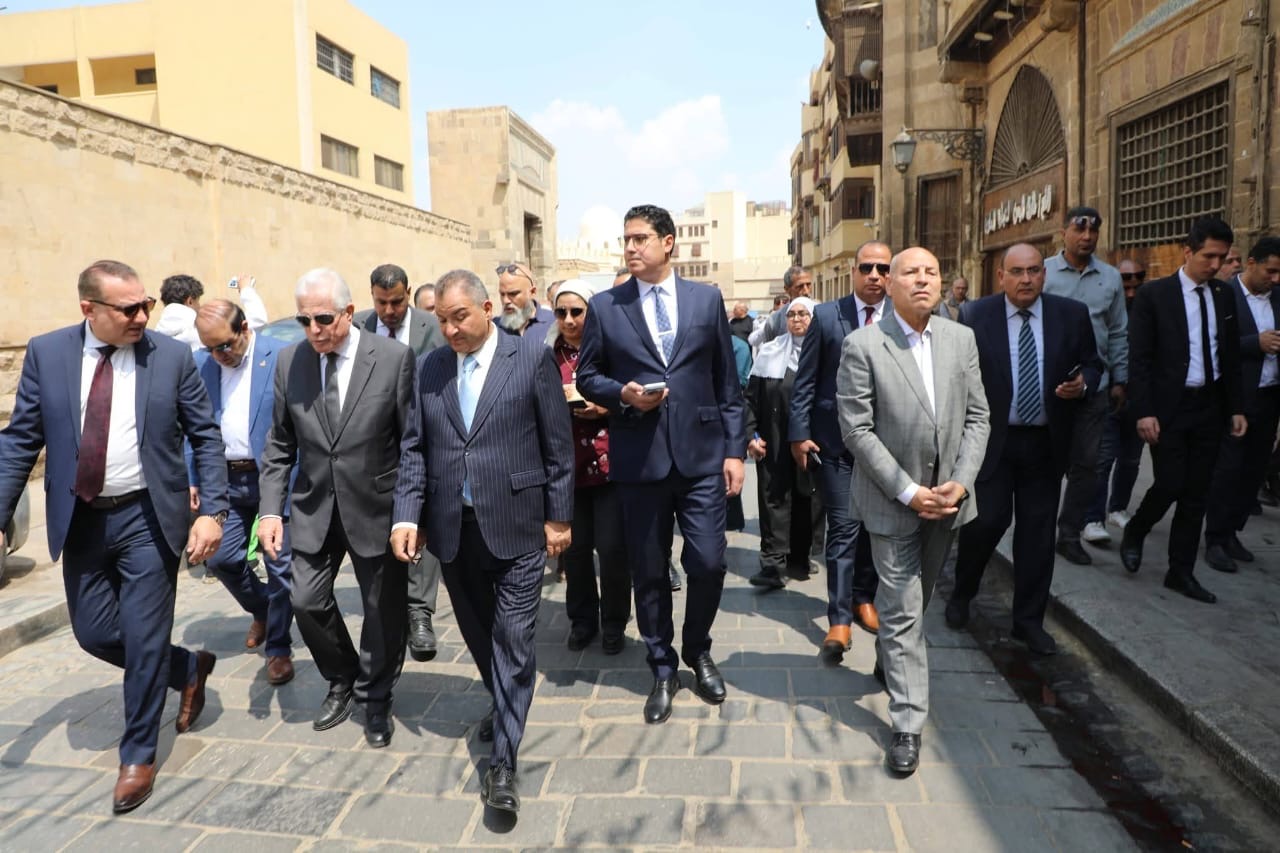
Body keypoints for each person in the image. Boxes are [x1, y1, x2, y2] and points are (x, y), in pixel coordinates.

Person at [0, 260, 228, 813]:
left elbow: (205, 435)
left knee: (144, 637)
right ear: (89, 309)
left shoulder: (169, 356)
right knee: (95, 633)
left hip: (148, 517)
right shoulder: (48, 353)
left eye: (145, 305)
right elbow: (20, 440)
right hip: (81, 518)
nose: (142, 317)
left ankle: (138, 756)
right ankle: (186, 667)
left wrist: (213, 512)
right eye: (128, 309)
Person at [391, 270, 573, 814]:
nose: (450, 330)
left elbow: (558, 445)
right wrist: (407, 516)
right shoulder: (430, 368)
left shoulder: (530, 358)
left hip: (518, 524)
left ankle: (504, 766)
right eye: (442, 320)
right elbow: (414, 450)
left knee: (513, 641)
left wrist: (559, 518)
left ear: (487, 309)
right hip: (455, 530)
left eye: (460, 317)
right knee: (479, 636)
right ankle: (505, 701)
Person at [577, 203, 746, 725]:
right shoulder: (607, 306)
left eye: (640, 239)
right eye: (625, 240)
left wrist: (735, 450)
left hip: (702, 456)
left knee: (709, 561)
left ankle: (697, 648)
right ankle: (662, 666)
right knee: (648, 571)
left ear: (667, 242)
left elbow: (726, 382)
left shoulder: (705, 299)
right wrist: (623, 395)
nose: (630, 248)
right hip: (640, 457)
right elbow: (587, 376)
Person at [835, 247, 990, 776]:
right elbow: (856, 430)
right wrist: (906, 490)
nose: (923, 280)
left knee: (913, 604)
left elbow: (978, 418)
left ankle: (889, 658)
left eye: (931, 271)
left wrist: (960, 483)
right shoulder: (863, 345)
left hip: (947, 502)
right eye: (911, 272)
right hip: (892, 502)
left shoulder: (961, 339)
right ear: (890, 284)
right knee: (903, 609)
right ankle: (907, 723)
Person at [257, 268, 414, 747]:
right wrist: (270, 511)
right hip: (314, 507)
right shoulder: (290, 362)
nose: (314, 329)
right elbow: (279, 444)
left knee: (382, 612)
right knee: (305, 600)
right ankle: (342, 675)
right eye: (304, 320)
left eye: (323, 318)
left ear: (348, 312)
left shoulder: (393, 359)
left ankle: (376, 697)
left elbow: (411, 443)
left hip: (376, 507)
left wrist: (408, 514)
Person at [948, 244, 1101, 657]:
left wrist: (1083, 384)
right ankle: (962, 594)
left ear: (1044, 275)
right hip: (993, 442)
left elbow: (1093, 363)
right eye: (1016, 272)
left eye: (1034, 271)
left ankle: (1028, 622)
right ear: (1001, 276)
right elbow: (958, 377)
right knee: (985, 523)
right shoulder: (976, 315)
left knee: (1037, 536)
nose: (1026, 279)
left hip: (1045, 444)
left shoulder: (1071, 315)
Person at [1121, 218, 1246, 604]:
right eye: (1208, 256)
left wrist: (1236, 408)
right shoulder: (1155, 295)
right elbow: (1139, 359)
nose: (1215, 264)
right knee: (1171, 483)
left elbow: (1230, 356)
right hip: (1168, 409)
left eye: (1221, 257)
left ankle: (1180, 571)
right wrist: (1144, 411)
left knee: (1196, 493)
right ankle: (1136, 529)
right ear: (1187, 252)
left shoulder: (1223, 296)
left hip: (1209, 407)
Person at [790, 242, 889, 662]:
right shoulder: (829, 316)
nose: (875, 275)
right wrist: (798, 433)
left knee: (872, 529)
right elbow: (806, 379)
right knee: (844, 528)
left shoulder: (901, 316)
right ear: (853, 271)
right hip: (835, 443)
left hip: (886, 447)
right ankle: (839, 618)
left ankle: (864, 597)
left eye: (883, 268)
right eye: (866, 267)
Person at [191, 300, 295, 686]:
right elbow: (192, 427)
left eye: (225, 345)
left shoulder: (281, 357)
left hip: (274, 477)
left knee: (278, 562)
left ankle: (278, 648)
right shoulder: (202, 366)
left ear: (245, 328)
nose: (219, 355)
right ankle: (264, 607)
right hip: (225, 480)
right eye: (210, 348)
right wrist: (193, 477)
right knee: (220, 558)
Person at [354, 263, 446, 663]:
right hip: (374, 447)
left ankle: (420, 612)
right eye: (382, 303)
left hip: (422, 436)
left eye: (396, 302)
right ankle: (387, 608)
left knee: (419, 518)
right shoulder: (357, 326)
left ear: (408, 294)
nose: (389, 311)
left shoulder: (432, 327)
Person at [540, 279, 631, 653]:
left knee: (611, 550)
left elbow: (633, 398)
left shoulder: (612, 350)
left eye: (577, 312)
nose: (569, 320)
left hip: (609, 466)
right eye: (561, 312)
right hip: (566, 469)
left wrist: (607, 408)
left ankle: (614, 622)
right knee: (574, 551)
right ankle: (582, 621)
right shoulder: (547, 354)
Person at [1043, 207, 1128, 566]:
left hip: (1095, 389)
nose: (1087, 237)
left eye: (1093, 231)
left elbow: (1118, 331)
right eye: (1079, 229)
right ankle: (1039, 528)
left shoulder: (1110, 278)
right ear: (1063, 232)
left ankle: (1069, 534)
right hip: (1048, 388)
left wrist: (1120, 379)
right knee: (1045, 464)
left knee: (1088, 465)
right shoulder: (1042, 272)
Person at [1203, 237, 1280, 572]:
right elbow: (1214, 344)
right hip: (1236, 400)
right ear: (1251, 264)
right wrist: (1255, 343)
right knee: (1228, 471)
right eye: (1270, 271)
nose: (1275, 279)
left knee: (1253, 472)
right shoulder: (1224, 295)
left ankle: (1232, 531)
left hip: (1270, 398)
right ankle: (1215, 539)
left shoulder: (1278, 296)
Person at [746, 296, 822, 589]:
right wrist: (751, 436)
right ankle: (772, 565)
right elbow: (750, 400)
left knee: (807, 499)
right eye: (792, 314)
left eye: (804, 314)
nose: (797, 319)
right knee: (774, 498)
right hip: (774, 441)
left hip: (810, 443)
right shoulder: (769, 352)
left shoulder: (825, 355)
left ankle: (799, 557)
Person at [1083, 258, 1148, 542]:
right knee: (1103, 458)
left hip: (1139, 396)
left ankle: (1118, 507)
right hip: (1108, 392)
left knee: (1131, 459)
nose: (1131, 291)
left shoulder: (1146, 310)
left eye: (1136, 283)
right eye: (1126, 284)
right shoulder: (1107, 310)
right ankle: (1092, 517)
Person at [749, 265, 813, 348]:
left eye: (808, 285)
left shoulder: (822, 314)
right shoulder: (774, 321)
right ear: (787, 289)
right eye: (800, 287)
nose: (806, 291)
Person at [495, 262, 554, 336]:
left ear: (532, 292)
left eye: (513, 294)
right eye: (502, 294)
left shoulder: (554, 323)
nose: (505, 301)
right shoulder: (494, 328)